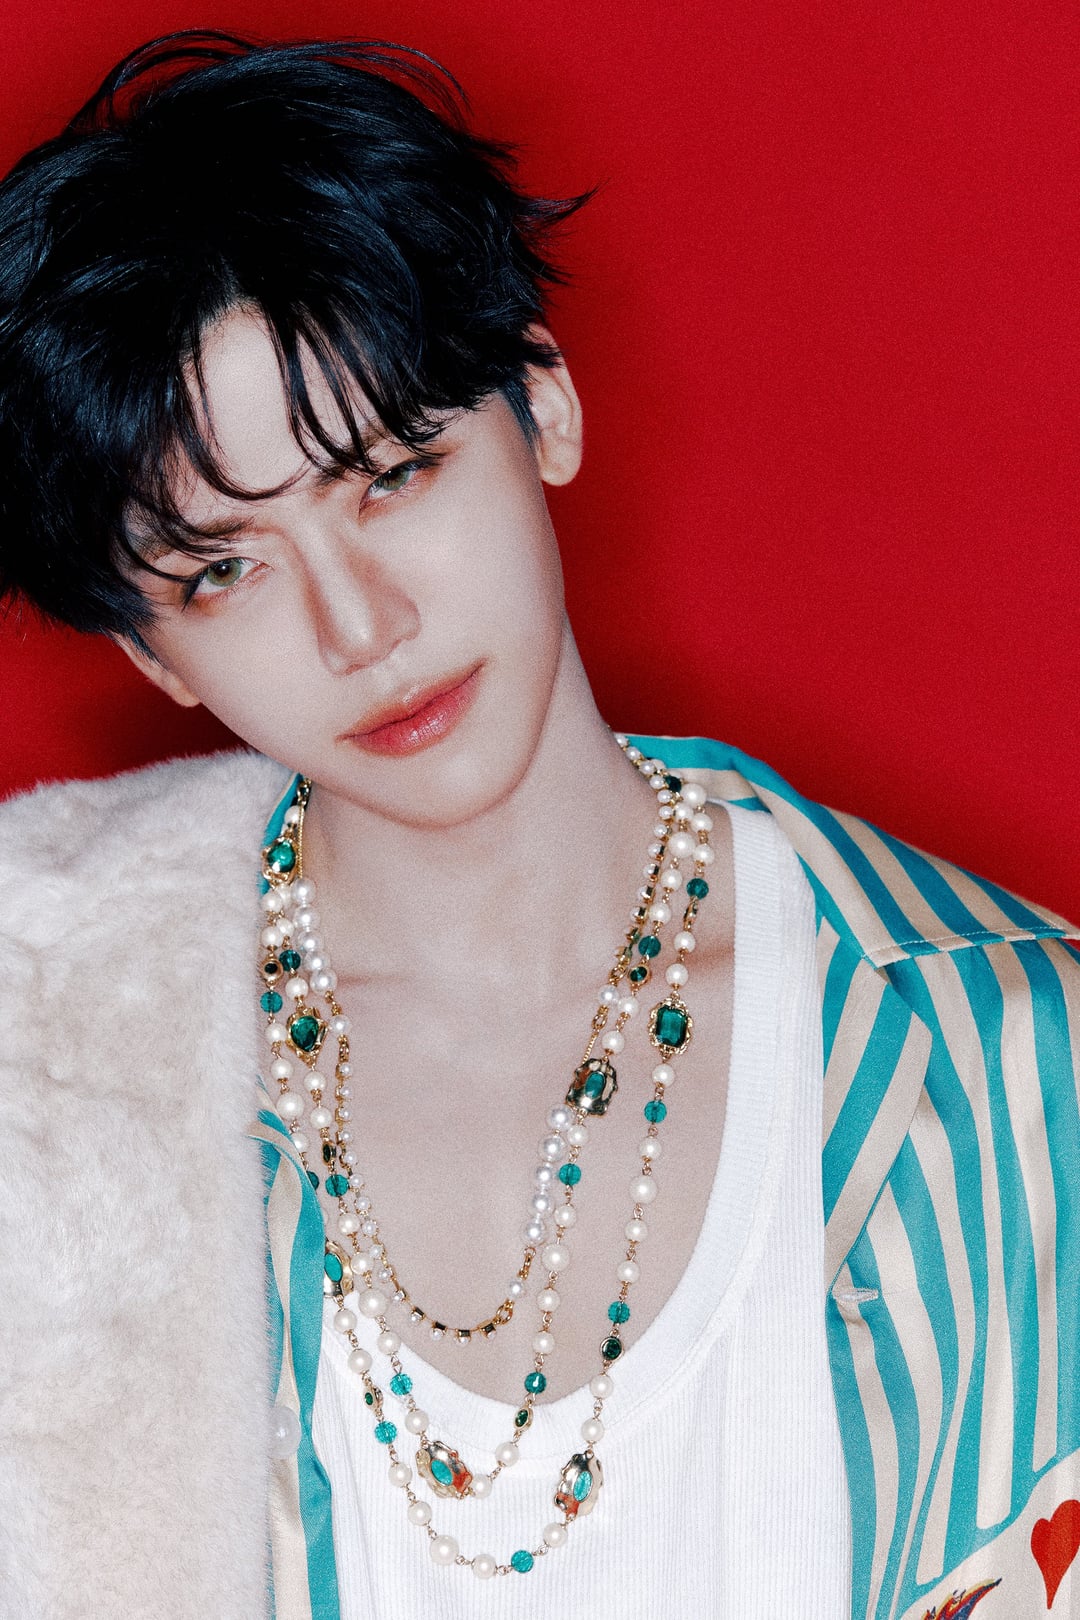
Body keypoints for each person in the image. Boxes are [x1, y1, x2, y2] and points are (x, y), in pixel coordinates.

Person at [0, 31, 1076, 1620]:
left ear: (545, 408)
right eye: (225, 570)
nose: (362, 626)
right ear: (153, 655)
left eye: (392, 474)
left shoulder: (1003, 1053)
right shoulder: (51, 1068)